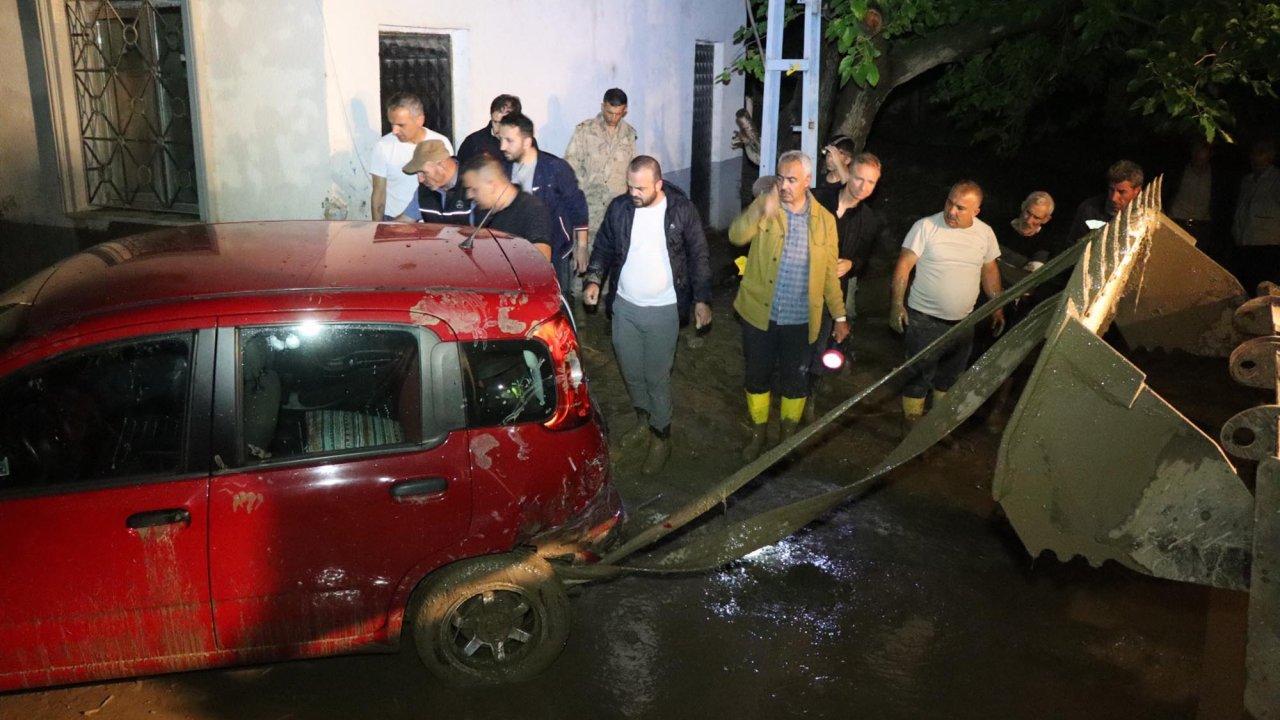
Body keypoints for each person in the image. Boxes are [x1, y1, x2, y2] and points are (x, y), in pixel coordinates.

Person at [582, 156, 712, 474]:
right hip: (624, 307)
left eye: (640, 187)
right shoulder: (621, 208)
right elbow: (603, 246)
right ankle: (644, 420)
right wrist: (595, 278)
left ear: (659, 184)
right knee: (631, 371)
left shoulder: (681, 211)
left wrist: (702, 299)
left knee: (656, 377)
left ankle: (661, 437)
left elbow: (699, 255)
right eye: (629, 186)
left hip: (664, 309)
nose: (633, 193)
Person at [729, 151, 849, 461]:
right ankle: (758, 432)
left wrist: (839, 315)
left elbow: (828, 276)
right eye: (781, 177)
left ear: (808, 181)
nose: (784, 185)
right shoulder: (768, 205)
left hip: (800, 318)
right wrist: (760, 210)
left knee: (796, 379)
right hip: (760, 314)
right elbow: (736, 235)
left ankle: (787, 435)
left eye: (792, 179)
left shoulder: (824, 221)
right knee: (757, 374)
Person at [890, 181, 1004, 430]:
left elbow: (990, 271)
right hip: (923, 319)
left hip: (964, 321)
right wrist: (897, 304)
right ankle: (911, 427)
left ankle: (936, 429)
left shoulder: (985, 234)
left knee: (950, 378)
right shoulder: (926, 227)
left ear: (976, 211)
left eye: (961, 208)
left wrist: (998, 306)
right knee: (918, 376)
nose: (952, 211)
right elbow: (903, 267)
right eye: (949, 203)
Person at [497, 112, 590, 303]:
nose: (502, 146)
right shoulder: (504, 169)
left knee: (555, 304)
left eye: (509, 140)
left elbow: (577, 205)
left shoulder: (555, 168)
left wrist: (581, 246)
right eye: (501, 139)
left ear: (527, 141)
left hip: (556, 252)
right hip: (516, 255)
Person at [565, 88, 638, 275]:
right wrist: (578, 200)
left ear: (625, 111)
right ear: (602, 106)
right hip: (588, 209)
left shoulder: (629, 134)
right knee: (582, 263)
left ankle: (606, 299)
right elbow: (570, 168)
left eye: (618, 113)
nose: (613, 117)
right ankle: (580, 301)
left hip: (616, 211)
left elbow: (633, 169)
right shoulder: (585, 131)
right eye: (609, 112)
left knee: (613, 260)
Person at [369, 93, 453, 221]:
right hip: (394, 220)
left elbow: (448, 185)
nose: (394, 131)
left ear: (419, 120)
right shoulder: (383, 146)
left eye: (401, 125)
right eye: (392, 124)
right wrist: (376, 229)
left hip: (430, 222)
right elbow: (378, 194)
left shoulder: (440, 143)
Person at [459, 155, 553, 260]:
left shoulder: (532, 210)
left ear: (492, 185)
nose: (469, 195)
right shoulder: (483, 212)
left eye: (474, 189)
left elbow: (540, 261)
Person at [1232, 138, 1280, 291]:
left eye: (1260, 153)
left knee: (1265, 289)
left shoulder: (1276, 178)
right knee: (1245, 287)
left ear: (1270, 156)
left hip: (1268, 245)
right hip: (1245, 242)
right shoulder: (1247, 180)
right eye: (1253, 153)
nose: (1254, 157)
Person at [396, 140, 474, 225]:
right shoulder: (424, 190)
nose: (420, 179)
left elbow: (484, 233)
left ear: (442, 165)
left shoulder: (475, 185)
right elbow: (404, 221)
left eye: (423, 172)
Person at [1067, 160, 1143, 241]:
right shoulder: (1089, 209)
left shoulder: (1146, 213)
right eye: (1111, 189)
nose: (1113, 198)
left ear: (1137, 191)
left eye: (1121, 192)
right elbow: (1074, 245)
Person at [456, 94, 521, 167]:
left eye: (503, 123)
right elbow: (461, 174)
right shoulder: (473, 142)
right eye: (495, 122)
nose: (498, 129)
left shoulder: (525, 142)